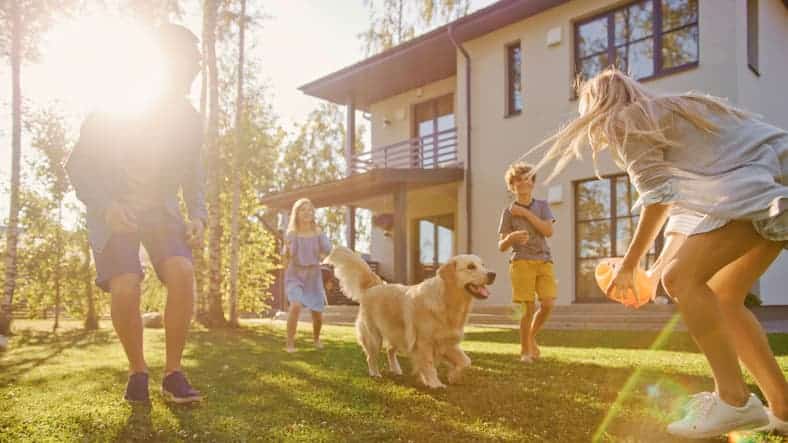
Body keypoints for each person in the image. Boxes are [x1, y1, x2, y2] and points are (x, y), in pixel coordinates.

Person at [525, 67, 787, 439]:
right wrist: (652, 270)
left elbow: (657, 199)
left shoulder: (626, 120)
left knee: (681, 279)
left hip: (763, 184)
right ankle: (783, 408)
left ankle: (734, 401)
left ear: (596, 108)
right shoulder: (670, 115)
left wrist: (630, 268)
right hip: (773, 182)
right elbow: (681, 214)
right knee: (723, 296)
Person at [65, 23, 205, 404]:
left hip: (160, 210)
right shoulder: (113, 107)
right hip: (114, 209)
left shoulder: (189, 120)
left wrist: (197, 214)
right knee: (126, 284)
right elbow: (77, 167)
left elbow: (194, 176)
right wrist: (107, 206)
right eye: (192, 61)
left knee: (182, 271)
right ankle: (137, 372)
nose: (197, 68)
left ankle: (173, 374)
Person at [497, 162, 557, 363]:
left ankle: (530, 337)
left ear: (533, 183)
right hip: (521, 263)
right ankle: (525, 352)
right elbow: (502, 246)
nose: (522, 183)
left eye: (527, 179)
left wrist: (525, 214)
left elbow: (548, 231)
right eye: (518, 180)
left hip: (544, 261)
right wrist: (511, 238)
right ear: (512, 186)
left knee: (547, 304)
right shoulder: (507, 212)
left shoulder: (542, 206)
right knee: (528, 309)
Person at [283, 198, 332, 353]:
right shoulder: (292, 234)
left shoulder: (318, 233)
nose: (306, 213)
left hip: (313, 276)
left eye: (309, 210)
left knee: (317, 313)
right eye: (303, 210)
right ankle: (290, 343)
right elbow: (285, 259)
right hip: (295, 275)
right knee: (295, 305)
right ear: (296, 214)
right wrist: (287, 250)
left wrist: (323, 240)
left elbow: (328, 251)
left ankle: (316, 339)